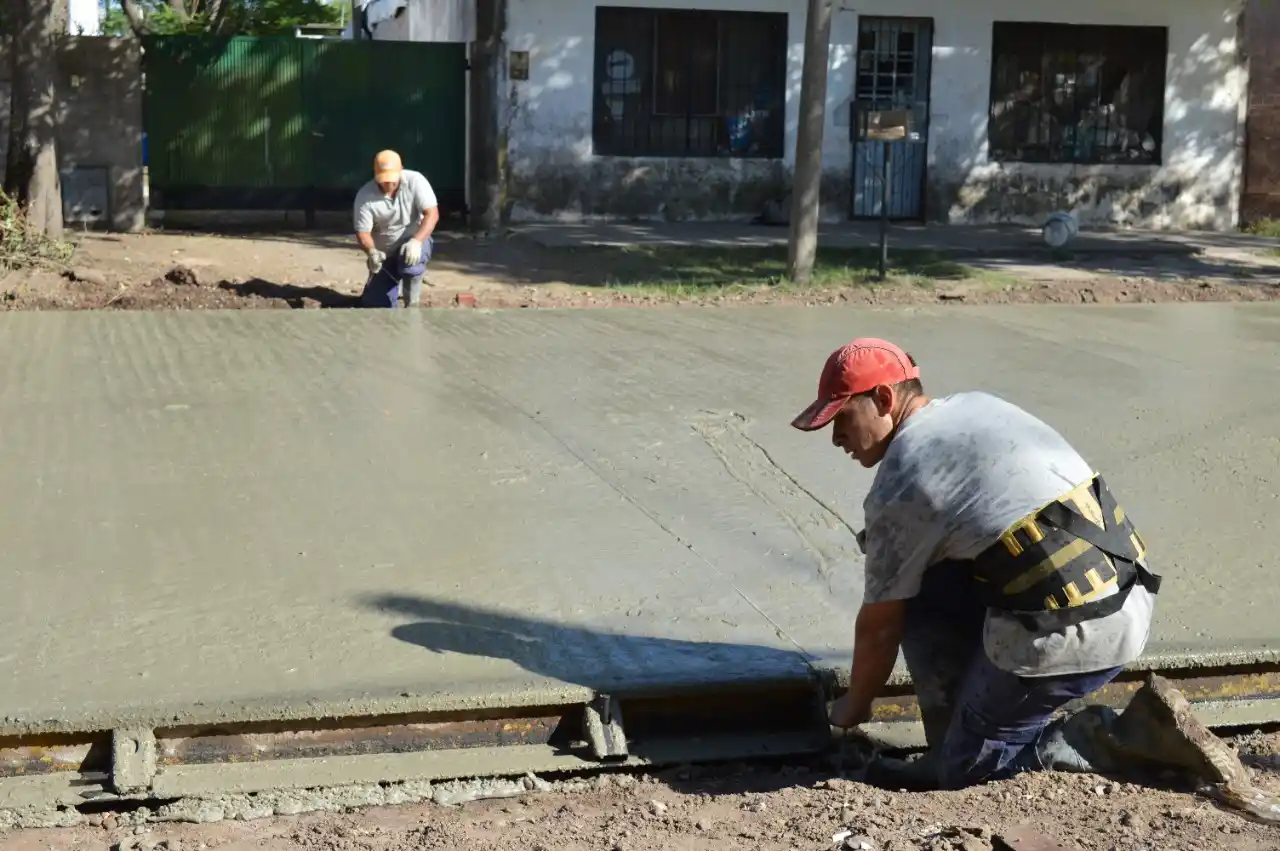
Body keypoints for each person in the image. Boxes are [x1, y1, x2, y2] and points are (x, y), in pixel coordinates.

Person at [790, 337, 1167, 790]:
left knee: (965, 775)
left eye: (842, 420)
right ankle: (968, 727)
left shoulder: (902, 484)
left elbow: (880, 627)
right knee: (924, 570)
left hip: (1075, 629)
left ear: (884, 398)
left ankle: (1109, 738)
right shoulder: (977, 407)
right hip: (1128, 598)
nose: (836, 439)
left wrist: (854, 705)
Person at [353, 150, 439, 308]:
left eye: (392, 180)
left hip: (412, 245)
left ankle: (412, 306)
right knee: (374, 305)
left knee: (411, 264)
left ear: (401, 171)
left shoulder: (416, 181)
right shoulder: (365, 196)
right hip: (385, 254)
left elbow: (432, 214)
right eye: (383, 180)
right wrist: (371, 251)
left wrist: (417, 241)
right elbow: (362, 232)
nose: (388, 184)